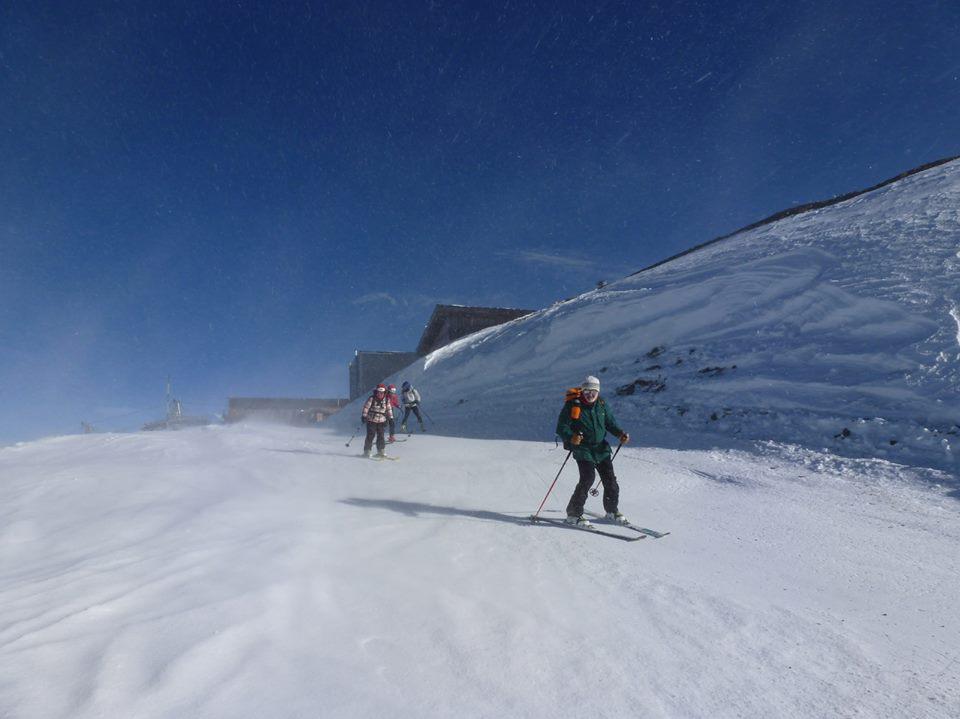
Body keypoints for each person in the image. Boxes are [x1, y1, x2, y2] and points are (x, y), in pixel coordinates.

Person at [555, 375, 630, 527]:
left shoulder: (602, 404)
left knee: (610, 480)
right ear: (582, 391)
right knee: (588, 478)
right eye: (587, 391)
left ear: (598, 392)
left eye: (594, 391)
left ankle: (611, 511)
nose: (590, 394)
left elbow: (610, 423)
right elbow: (561, 427)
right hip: (583, 448)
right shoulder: (573, 406)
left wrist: (620, 434)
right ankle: (573, 514)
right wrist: (571, 437)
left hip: (601, 448)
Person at [361, 384, 393, 457]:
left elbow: (389, 409)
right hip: (371, 420)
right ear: (376, 392)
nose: (380, 394)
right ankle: (367, 451)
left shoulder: (387, 400)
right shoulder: (372, 399)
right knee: (370, 435)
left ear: (384, 393)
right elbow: (366, 407)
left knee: (381, 436)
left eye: (382, 393)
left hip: (381, 421)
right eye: (378, 392)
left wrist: (390, 418)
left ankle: (381, 451)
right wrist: (364, 416)